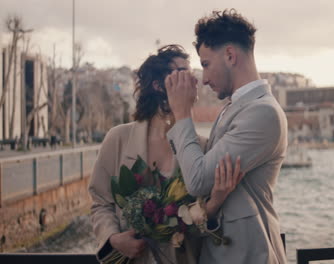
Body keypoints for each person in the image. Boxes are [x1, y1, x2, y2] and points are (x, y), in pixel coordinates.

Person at [88, 45, 243, 264]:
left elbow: (204, 227)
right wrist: (113, 238)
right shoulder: (118, 139)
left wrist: (215, 203)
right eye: (183, 73)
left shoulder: (204, 147)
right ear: (158, 85)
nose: (193, 81)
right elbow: (100, 202)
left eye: (192, 74)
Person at [165, 9, 288, 264]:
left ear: (230, 55)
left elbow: (198, 179)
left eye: (206, 65)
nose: (205, 79)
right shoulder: (233, 109)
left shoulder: (263, 113)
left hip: (250, 255)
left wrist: (182, 113)